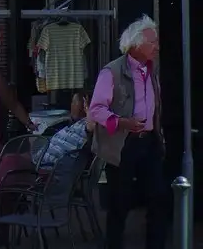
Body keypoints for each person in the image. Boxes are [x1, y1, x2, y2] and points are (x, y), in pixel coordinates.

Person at [88, 15, 167, 249]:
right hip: (123, 144)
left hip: (149, 141)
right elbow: (96, 109)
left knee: (158, 198)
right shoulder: (111, 72)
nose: (157, 47)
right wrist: (122, 122)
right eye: (152, 43)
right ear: (135, 45)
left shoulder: (151, 70)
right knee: (119, 203)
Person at [39, 91, 94, 168]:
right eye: (73, 102)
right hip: (42, 159)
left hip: (50, 167)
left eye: (76, 102)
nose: (73, 105)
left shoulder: (87, 125)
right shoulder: (66, 123)